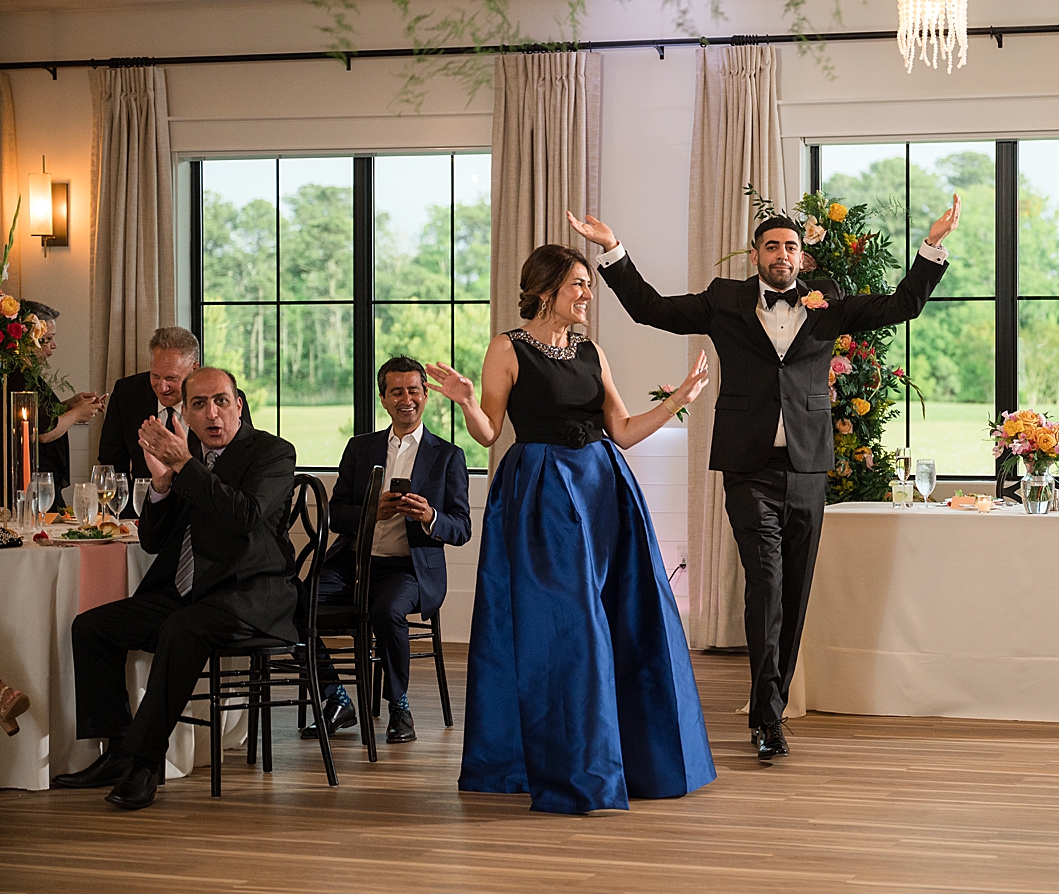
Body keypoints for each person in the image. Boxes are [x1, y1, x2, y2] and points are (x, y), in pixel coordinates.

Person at [571, 199, 958, 761]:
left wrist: (931, 246)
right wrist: (614, 251)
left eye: (791, 247)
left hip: (806, 467)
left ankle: (766, 707)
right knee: (768, 583)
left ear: (803, 257)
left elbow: (905, 304)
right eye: (772, 246)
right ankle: (769, 719)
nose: (783, 255)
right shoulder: (725, 301)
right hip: (747, 467)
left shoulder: (829, 303)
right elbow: (651, 309)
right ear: (756, 256)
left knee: (794, 591)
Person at [426, 243, 715, 814]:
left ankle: (629, 761)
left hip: (605, 488)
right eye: (579, 285)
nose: (589, 294)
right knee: (567, 628)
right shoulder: (506, 349)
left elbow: (624, 430)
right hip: (541, 495)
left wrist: (678, 401)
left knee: (628, 618)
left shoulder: (591, 351)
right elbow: (488, 433)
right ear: (545, 290)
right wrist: (464, 400)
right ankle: (575, 769)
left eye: (589, 284)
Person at [53, 367, 297, 809]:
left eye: (221, 401)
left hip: (249, 593)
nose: (212, 413)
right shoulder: (191, 457)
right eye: (199, 404)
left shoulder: (271, 452)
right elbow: (152, 541)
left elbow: (244, 516)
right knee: (92, 628)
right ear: (185, 413)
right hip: (188, 591)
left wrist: (184, 465)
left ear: (238, 405)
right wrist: (163, 486)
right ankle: (116, 749)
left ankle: (143, 765)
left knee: (182, 630)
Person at [302, 355, 471, 745]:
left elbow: (462, 528)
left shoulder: (448, 456)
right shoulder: (361, 448)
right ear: (383, 398)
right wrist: (371, 513)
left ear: (426, 394)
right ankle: (336, 698)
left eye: (414, 390)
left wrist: (430, 516)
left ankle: (399, 706)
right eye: (397, 391)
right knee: (292, 601)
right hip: (354, 563)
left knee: (386, 610)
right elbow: (335, 513)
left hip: (409, 570)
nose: (407, 398)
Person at [97, 326, 253, 485]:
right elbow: (112, 463)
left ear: (194, 369)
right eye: (155, 376)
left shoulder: (226, 401)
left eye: (171, 378)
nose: (162, 387)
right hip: (144, 503)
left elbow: (241, 463)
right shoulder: (127, 394)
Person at [12, 301, 106, 510]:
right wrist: (75, 414)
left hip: (42, 479)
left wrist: (68, 405)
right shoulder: (17, 377)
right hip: (31, 484)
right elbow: (41, 431)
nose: (53, 346)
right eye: (48, 339)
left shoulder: (27, 374)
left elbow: (42, 416)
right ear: (29, 339)